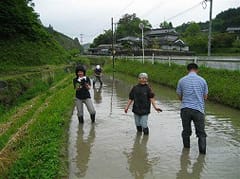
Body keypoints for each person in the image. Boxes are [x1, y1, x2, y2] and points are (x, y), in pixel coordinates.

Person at [176, 63, 208, 154]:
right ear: (197, 70)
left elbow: (179, 95)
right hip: (198, 110)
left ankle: (186, 152)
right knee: (201, 133)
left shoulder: (181, 80)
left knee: (186, 131)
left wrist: (186, 101)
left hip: (185, 109)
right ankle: (202, 155)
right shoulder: (202, 80)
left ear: (187, 70)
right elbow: (205, 97)